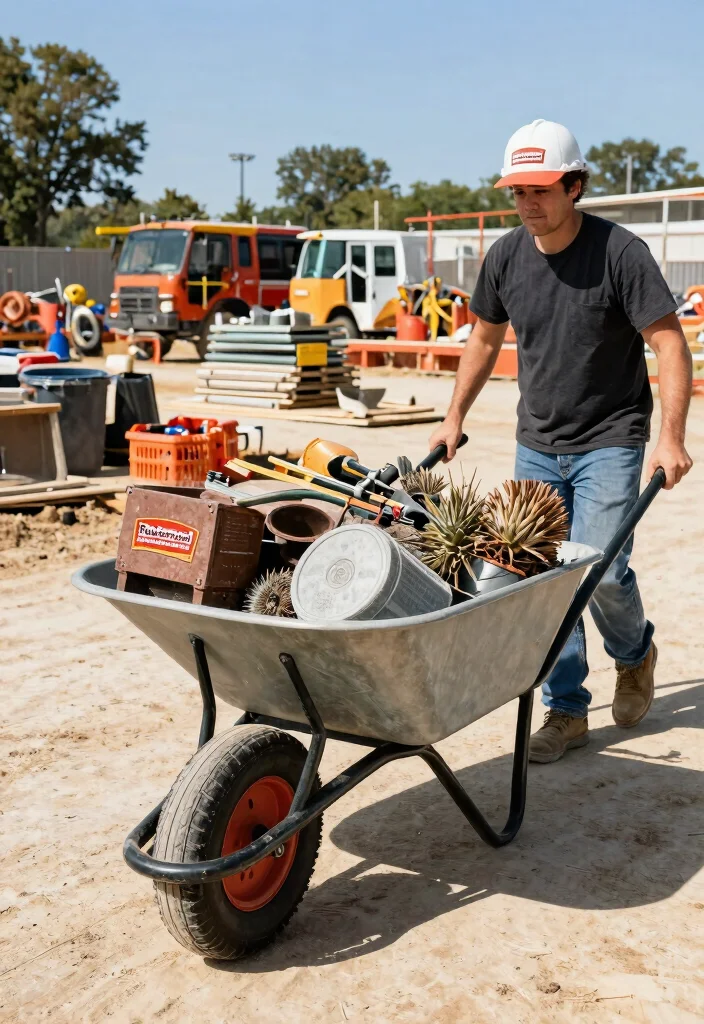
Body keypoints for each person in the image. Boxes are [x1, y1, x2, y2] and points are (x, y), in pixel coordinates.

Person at [429, 119, 693, 764]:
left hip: (611, 435)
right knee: (536, 576)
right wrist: (452, 416)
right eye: (517, 191)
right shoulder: (506, 257)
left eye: (541, 189)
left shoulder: (620, 253)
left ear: (575, 186)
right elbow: (485, 340)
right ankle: (567, 708)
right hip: (537, 441)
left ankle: (635, 655)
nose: (528, 204)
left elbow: (667, 343)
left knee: (600, 567)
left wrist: (672, 439)